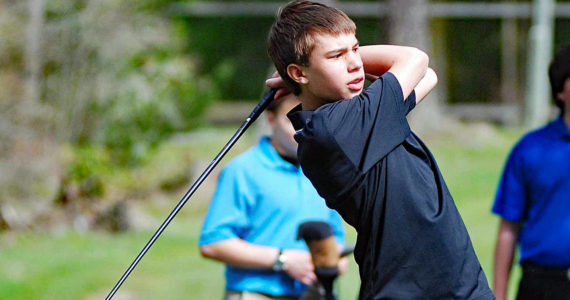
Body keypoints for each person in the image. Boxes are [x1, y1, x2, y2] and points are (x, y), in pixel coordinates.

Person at [265, 1, 494, 299]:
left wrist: (312, 67)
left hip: (457, 287)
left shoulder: (359, 118)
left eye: (355, 49)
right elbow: (415, 59)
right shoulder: (335, 128)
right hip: (410, 292)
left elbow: (427, 77)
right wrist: (297, 73)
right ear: (299, 73)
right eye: (336, 56)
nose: (354, 64)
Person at [199, 91, 347, 300]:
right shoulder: (242, 170)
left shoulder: (325, 169)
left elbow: (336, 236)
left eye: (310, 119)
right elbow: (212, 243)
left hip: (316, 293)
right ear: (271, 119)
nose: (303, 129)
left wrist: (336, 260)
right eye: (292, 120)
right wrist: (282, 260)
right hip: (258, 293)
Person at [492, 43, 570, 300]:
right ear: (560, 91)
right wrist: (499, 294)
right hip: (543, 284)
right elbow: (509, 227)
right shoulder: (529, 150)